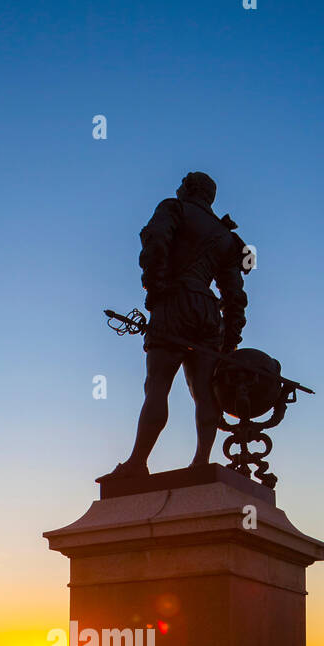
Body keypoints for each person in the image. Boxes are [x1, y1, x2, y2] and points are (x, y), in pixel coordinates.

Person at [104, 172, 249, 480]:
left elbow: (156, 243)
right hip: (209, 312)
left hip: (175, 300)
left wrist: (155, 287)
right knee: (204, 392)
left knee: (157, 385)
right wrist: (230, 337)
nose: (178, 186)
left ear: (190, 188)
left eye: (182, 182)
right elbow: (235, 295)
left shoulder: (175, 208)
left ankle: (137, 463)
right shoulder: (227, 238)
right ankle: (201, 462)